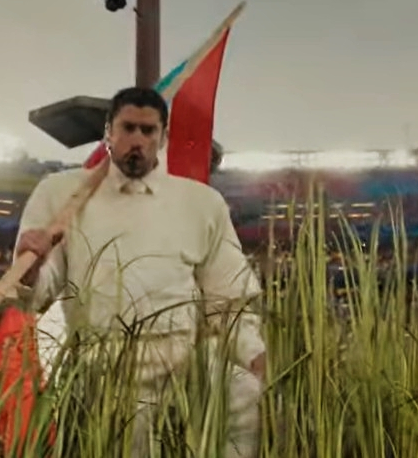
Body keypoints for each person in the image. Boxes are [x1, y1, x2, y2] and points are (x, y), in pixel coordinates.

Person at [15, 86, 266, 458]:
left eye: (148, 131)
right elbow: (35, 294)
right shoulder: (60, 192)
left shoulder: (201, 203)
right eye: (127, 128)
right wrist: (30, 269)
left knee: (242, 391)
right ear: (109, 132)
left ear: (162, 138)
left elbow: (228, 293)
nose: (137, 140)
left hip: (182, 356)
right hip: (104, 363)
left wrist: (252, 352)